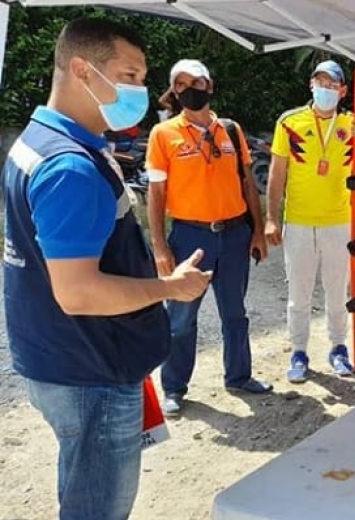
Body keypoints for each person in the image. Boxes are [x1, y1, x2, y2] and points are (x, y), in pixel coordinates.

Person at [3, 19, 212, 520]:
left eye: (142, 77)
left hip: (64, 357)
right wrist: (170, 288)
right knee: (96, 508)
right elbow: (79, 292)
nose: (140, 90)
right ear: (82, 69)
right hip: (89, 371)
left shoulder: (40, 141)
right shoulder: (69, 166)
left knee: (80, 486)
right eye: (130, 75)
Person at [147, 58, 271, 416]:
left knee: (235, 312)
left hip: (234, 234)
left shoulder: (230, 130)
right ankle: (173, 387)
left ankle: (239, 376)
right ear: (175, 91)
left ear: (210, 86)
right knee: (181, 317)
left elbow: (248, 183)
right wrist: (159, 246)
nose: (190, 90)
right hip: (189, 237)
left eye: (196, 83)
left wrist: (258, 231)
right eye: (181, 84)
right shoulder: (164, 134)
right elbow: (156, 194)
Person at [265, 60, 355, 381]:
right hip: (298, 221)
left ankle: (338, 348)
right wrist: (271, 218)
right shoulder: (289, 122)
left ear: (343, 91)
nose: (326, 90)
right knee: (299, 293)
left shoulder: (352, 124)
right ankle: (298, 352)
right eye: (320, 83)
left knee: (338, 291)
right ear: (311, 85)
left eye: (332, 85)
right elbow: (277, 173)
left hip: (339, 221)